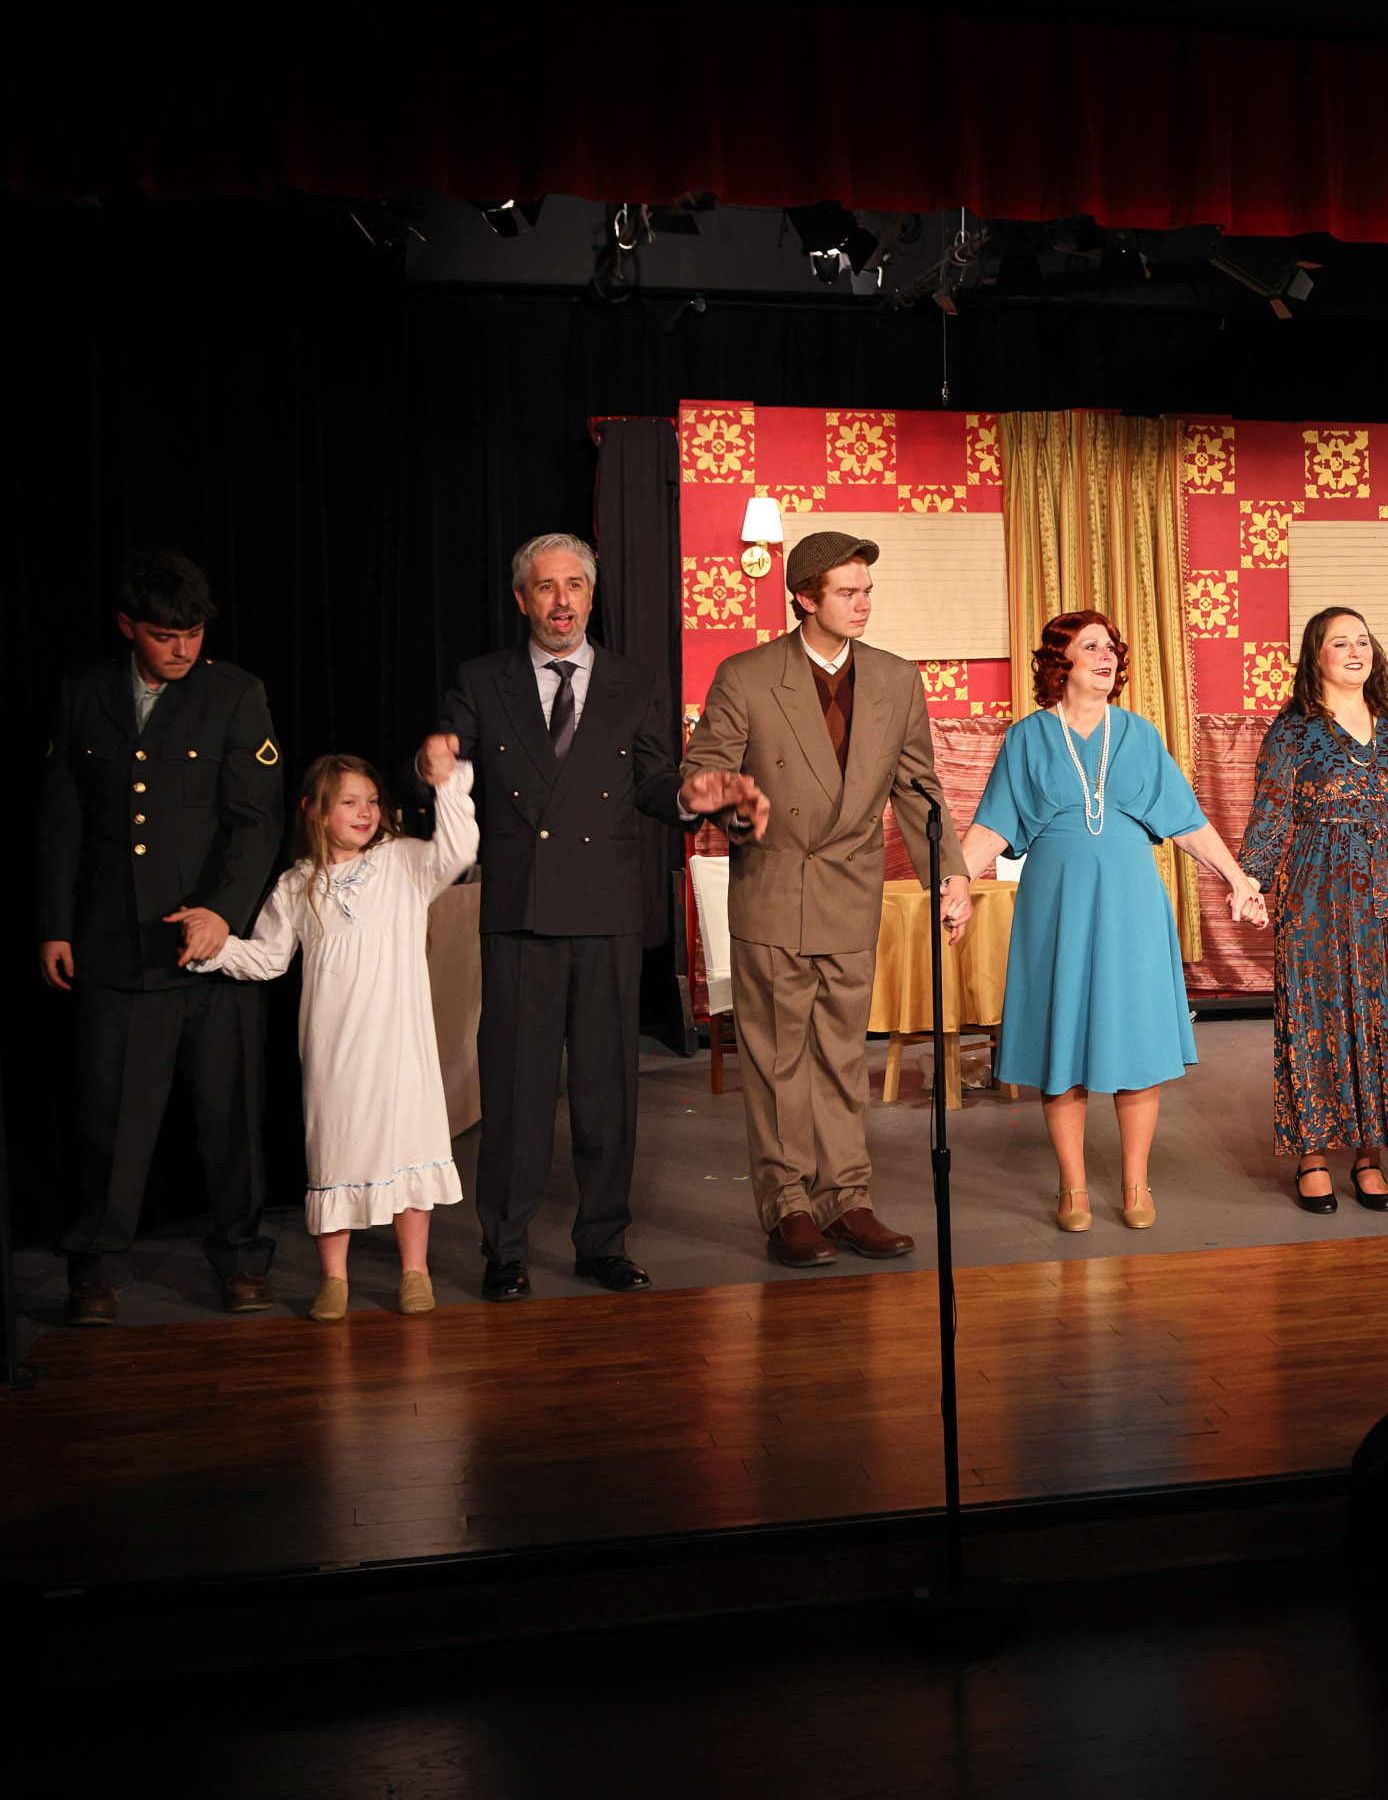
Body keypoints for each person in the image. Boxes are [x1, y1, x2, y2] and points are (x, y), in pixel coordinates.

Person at [422, 533, 768, 1301]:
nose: (563, 600)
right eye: (547, 587)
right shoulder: (482, 680)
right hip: (520, 911)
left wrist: (692, 797)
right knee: (514, 1092)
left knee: (607, 1089)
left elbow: (652, 782)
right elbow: (449, 757)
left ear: (590, 593)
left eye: (575, 584)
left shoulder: (631, 682)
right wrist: (432, 763)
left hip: (607, 912)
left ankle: (603, 1242)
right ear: (522, 598)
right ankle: (505, 1249)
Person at [681, 530, 964, 1267]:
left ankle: (846, 1200)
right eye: (847, 592)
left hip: (850, 892)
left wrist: (951, 874)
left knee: (842, 1058)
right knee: (778, 1061)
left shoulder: (897, 678)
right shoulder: (746, 676)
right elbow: (703, 771)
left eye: (867, 591)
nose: (863, 604)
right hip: (775, 889)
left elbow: (919, 790)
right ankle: (789, 1206)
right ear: (805, 598)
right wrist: (727, 800)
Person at [34, 550, 285, 1325]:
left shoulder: (235, 694)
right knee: (111, 1121)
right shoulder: (82, 695)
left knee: (229, 1120)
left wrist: (224, 914)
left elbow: (256, 821)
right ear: (127, 627)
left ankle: (242, 1259)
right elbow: (61, 820)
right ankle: (96, 1270)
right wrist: (54, 925)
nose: (182, 648)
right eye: (164, 635)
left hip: (212, 951)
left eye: (194, 633)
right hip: (116, 944)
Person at [960, 609, 1266, 1232]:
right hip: (1057, 904)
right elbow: (993, 823)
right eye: (1091, 646)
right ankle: (1072, 1187)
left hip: (1132, 904)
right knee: (1061, 1036)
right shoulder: (1026, 738)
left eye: (1111, 648)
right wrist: (956, 882)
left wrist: (1237, 878)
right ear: (1061, 661)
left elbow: (1186, 820)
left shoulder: (1139, 736)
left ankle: (1135, 1182)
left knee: (1135, 1038)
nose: (1107, 657)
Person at [188, 746, 480, 1319]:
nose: (365, 812)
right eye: (348, 802)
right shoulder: (298, 883)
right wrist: (213, 947)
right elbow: (269, 957)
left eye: (371, 801)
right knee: (335, 1146)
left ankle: (414, 1272)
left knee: (409, 1143)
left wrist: (447, 785)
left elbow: (458, 850)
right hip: (335, 1043)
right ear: (315, 811)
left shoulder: (403, 861)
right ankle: (334, 1279)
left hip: (400, 1041)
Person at [1240, 606, 1388, 1214]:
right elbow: (1270, 813)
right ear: (1316, 657)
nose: (1357, 650)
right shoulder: (1293, 729)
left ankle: (1368, 1157)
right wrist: (1249, 880)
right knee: (1317, 1017)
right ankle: (1311, 1155)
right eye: (1341, 642)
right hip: (1317, 892)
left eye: (1363, 640)